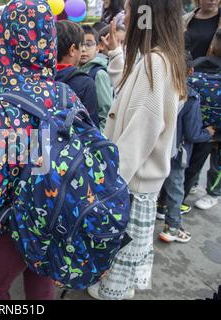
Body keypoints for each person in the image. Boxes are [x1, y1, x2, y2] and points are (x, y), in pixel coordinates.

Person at [0, 0, 84, 300]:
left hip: (11, 226)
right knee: (41, 283)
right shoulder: (66, 95)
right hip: (55, 216)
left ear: (5, 39)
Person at [87, 0, 188, 300]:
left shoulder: (155, 65)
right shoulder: (159, 59)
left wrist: (105, 188)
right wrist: (117, 51)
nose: (124, 16)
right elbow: (129, 96)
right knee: (123, 269)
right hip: (136, 187)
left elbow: (138, 136)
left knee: (115, 278)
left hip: (128, 189)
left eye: (129, 10)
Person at [157, 53, 215, 243]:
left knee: (155, 186)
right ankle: (172, 227)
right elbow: (192, 133)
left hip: (156, 149)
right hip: (176, 153)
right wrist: (208, 132)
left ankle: (158, 209)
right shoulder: (190, 97)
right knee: (176, 189)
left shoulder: (159, 90)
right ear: (190, 71)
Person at [184, 29, 221, 210]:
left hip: (196, 126)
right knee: (216, 163)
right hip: (214, 129)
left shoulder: (197, 65)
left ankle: (192, 187)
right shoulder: (199, 63)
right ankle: (212, 192)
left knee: (191, 161)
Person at [56, 20, 100, 128]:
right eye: (81, 46)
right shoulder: (85, 83)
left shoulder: (39, 77)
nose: (83, 50)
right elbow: (90, 127)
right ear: (72, 50)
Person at [79, 25, 113, 129]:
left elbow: (105, 112)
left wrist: (102, 139)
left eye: (89, 44)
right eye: (80, 44)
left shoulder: (99, 73)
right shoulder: (78, 71)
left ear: (98, 48)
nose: (84, 49)